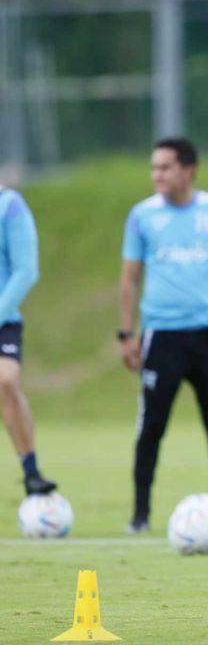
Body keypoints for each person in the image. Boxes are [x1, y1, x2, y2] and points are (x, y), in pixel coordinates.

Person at [118, 137, 208, 535]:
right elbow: (129, 277)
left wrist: (203, 296)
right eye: (154, 168)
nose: (157, 174)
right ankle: (140, 514)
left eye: (165, 167)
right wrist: (127, 334)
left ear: (188, 170)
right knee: (152, 425)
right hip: (162, 336)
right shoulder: (141, 216)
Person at [0, 185, 57, 496]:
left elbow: (26, 270)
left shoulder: (9, 205)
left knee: (6, 380)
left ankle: (31, 470)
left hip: (3, 318)